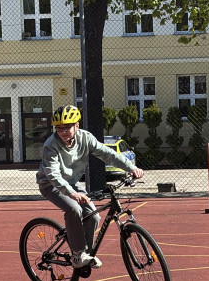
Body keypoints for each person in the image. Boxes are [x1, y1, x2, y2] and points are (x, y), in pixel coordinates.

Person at [36, 105, 144, 268]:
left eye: (67, 128)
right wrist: (72, 193)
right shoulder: (50, 145)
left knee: (94, 216)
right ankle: (78, 255)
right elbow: (54, 176)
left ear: (77, 125)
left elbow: (108, 154)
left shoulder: (85, 138)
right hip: (51, 185)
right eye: (59, 128)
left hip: (72, 184)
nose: (63, 132)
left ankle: (85, 253)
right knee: (74, 209)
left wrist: (131, 167)